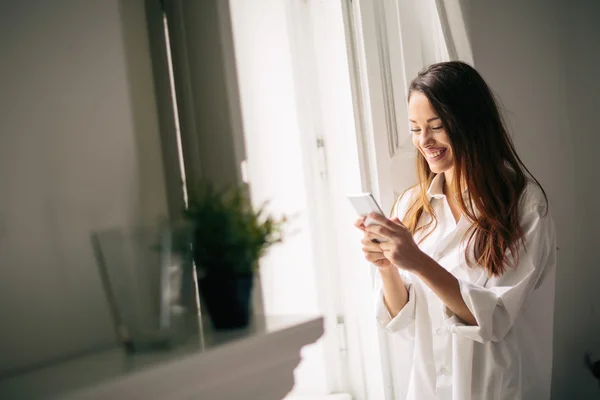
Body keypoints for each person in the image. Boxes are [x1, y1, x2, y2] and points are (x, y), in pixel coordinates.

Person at [354, 61, 557, 400]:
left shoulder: (523, 205)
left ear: (470, 124)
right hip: (428, 389)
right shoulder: (412, 207)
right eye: (416, 128)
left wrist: (417, 261)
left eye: (436, 126)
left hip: (497, 389)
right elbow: (400, 321)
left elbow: (494, 318)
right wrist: (387, 266)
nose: (424, 141)